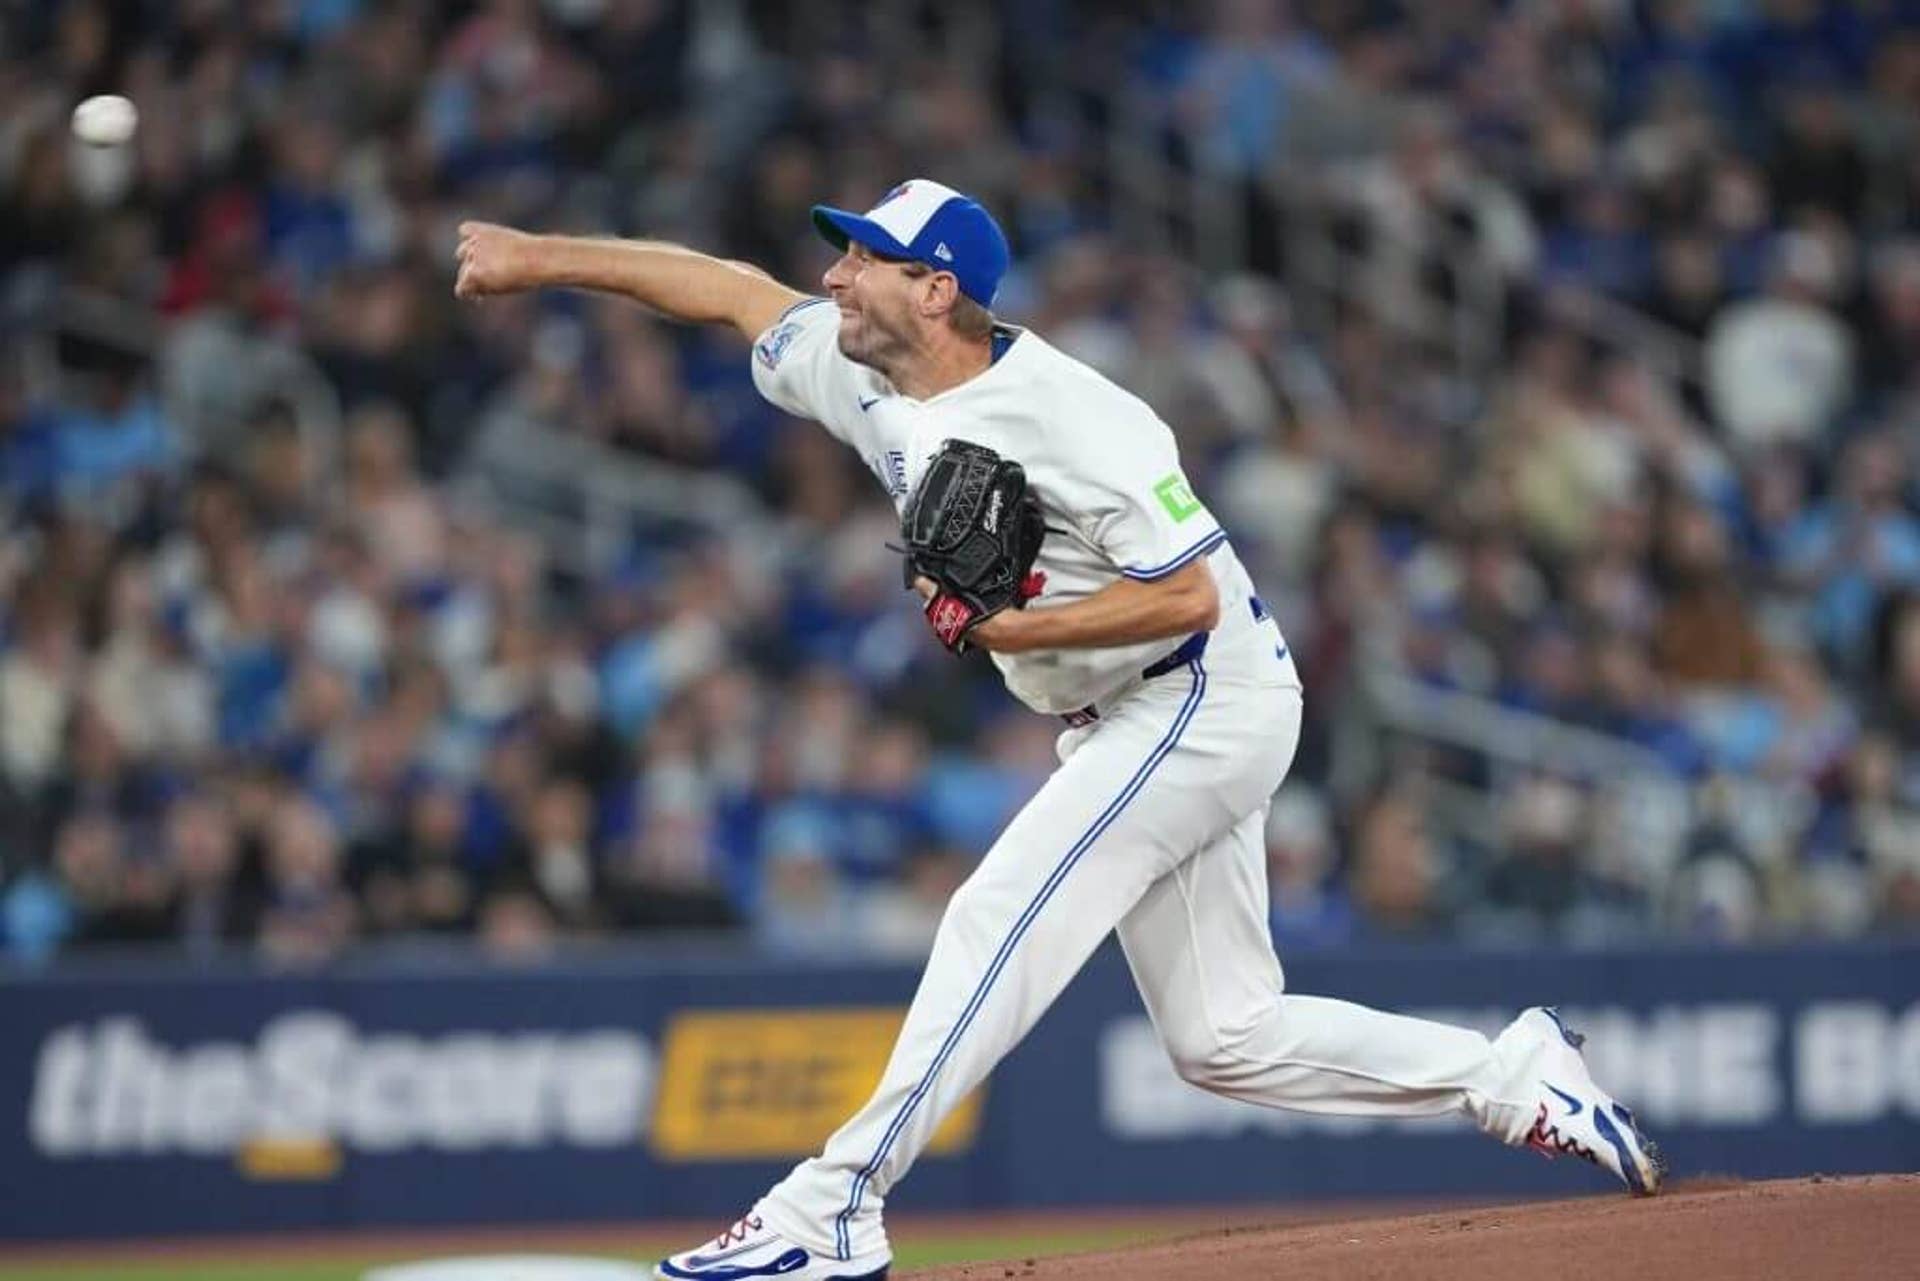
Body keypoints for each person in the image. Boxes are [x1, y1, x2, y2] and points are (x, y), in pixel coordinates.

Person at [453, 178, 1663, 1281]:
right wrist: (533, 254)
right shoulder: (860, 369)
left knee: (994, 910)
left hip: (1203, 688)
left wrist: (1000, 634)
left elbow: (1190, 591)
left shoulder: (1083, 417)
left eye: (861, 258)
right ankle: (1507, 1073)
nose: (832, 278)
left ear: (936, 288)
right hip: (1121, 709)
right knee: (1223, 1038)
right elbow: (724, 291)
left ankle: (832, 1206)